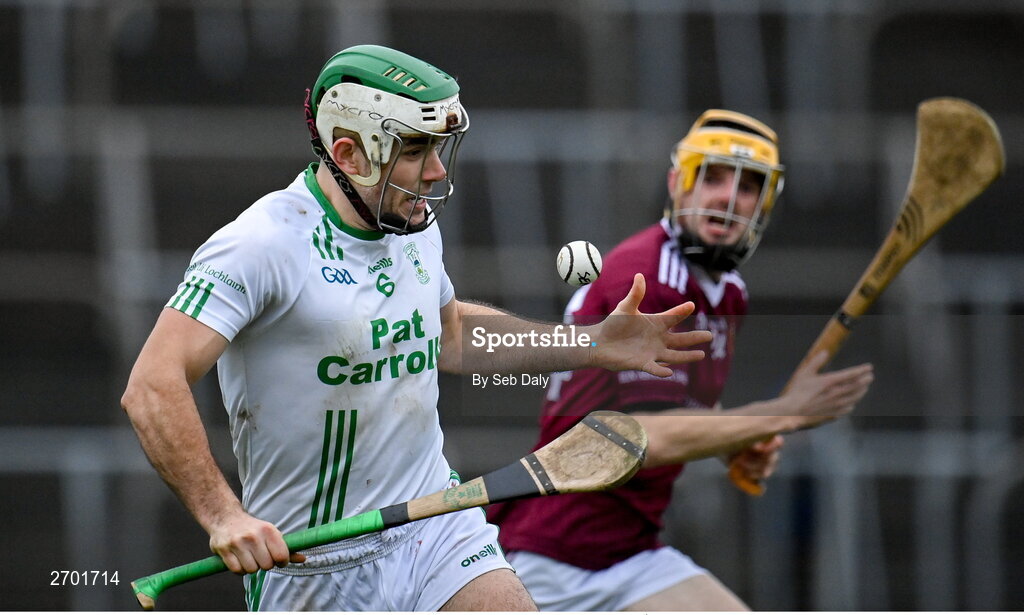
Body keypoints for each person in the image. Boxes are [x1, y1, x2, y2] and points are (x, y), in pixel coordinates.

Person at [120, 44, 712, 612]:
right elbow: (152, 384)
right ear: (349, 154)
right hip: (308, 566)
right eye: (413, 150)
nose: (433, 172)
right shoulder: (260, 246)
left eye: (439, 149)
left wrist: (586, 343)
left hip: (434, 528)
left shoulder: (412, 223)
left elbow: (448, 334)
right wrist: (223, 516)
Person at [487, 110, 875, 611]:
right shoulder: (648, 276)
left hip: (629, 553)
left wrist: (733, 444)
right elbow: (639, 436)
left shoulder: (728, 293)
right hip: (556, 550)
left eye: (748, 186)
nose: (728, 197)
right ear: (677, 183)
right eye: (711, 177)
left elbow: (683, 408)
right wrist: (781, 414)